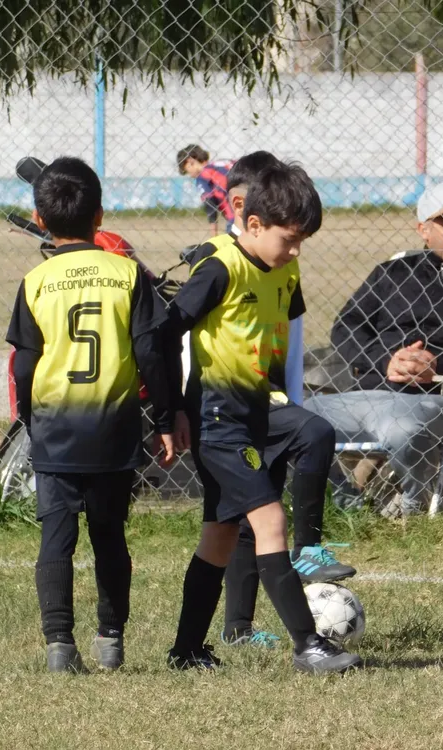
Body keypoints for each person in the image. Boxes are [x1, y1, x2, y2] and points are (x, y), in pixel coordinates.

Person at [165, 161, 361, 674]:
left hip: (252, 415)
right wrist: (170, 413)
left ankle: (186, 650)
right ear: (253, 225)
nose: (296, 251)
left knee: (220, 536)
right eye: (289, 239)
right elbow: (165, 332)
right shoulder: (219, 268)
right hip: (216, 420)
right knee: (271, 519)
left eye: (302, 241)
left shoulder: (281, 268)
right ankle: (308, 646)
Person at [5, 157, 184, 673]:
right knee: (110, 534)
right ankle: (111, 640)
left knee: (55, 537)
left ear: (40, 221)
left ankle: (59, 644)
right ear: (100, 216)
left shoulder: (36, 281)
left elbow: (24, 364)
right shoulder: (127, 274)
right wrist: (166, 417)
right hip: (114, 426)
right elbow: (152, 354)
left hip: (56, 428)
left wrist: (30, 418)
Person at [305, 181, 443, 517]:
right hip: (374, 387)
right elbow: (347, 325)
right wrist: (387, 360)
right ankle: (345, 505)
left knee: (400, 426)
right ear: (424, 230)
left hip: (440, 391)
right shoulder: (393, 273)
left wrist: (439, 366)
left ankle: (406, 509)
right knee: (292, 419)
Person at [177, 144, 235, 236]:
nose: (190, 175)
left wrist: (214, 236)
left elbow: (209, 203)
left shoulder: (203, 176)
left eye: (187, 170)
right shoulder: (224, 162)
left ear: (190, 161)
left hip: (236, 218)